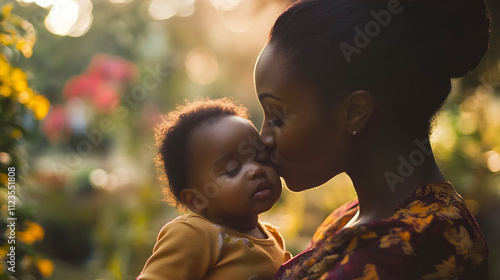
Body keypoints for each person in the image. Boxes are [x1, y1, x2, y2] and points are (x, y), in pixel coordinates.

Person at [253, 0, 491, 279]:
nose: (262, 139)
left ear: (354, 112)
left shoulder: (415, 247)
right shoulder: (346, 219)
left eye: (277, 118)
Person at [137, 98, 290, 280]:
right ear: (197, 200)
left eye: (261, 158)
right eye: (233, 169)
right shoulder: (194, 234)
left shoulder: (272, 236)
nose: (256, 170)